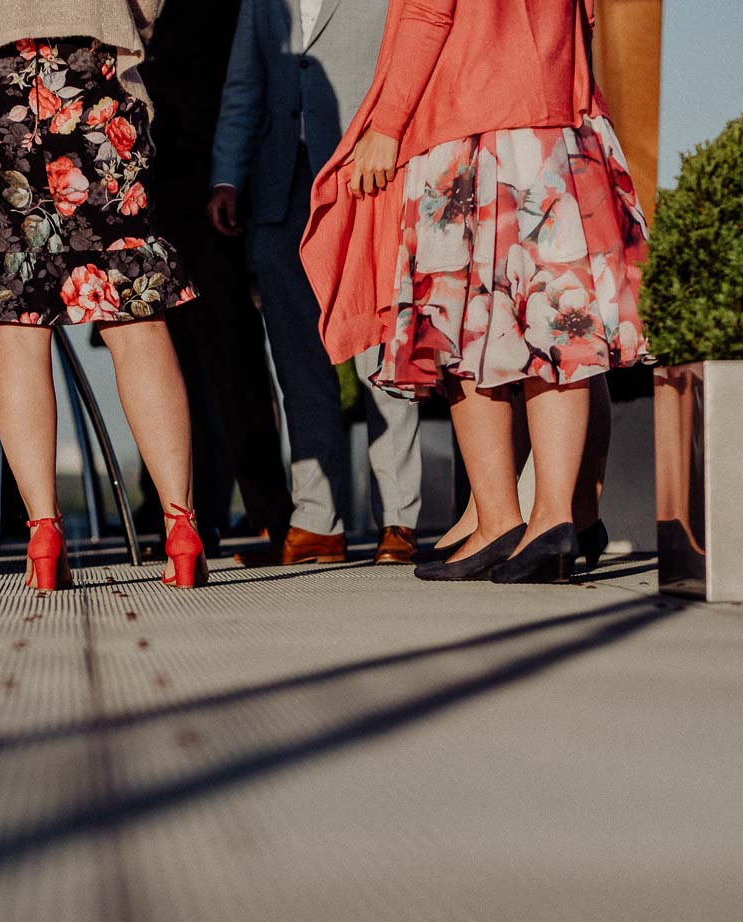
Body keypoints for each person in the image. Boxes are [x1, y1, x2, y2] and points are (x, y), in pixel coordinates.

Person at [302, 0, 649, 583]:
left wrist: (386, 124)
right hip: (555, 118)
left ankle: (497, 518)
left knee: (464, 325)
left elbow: (429, 11)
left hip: (466, 117)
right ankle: (554, 519)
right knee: (559, 327)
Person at [0, 0, 209, 591]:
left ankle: (44, 532)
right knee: (133, 302)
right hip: (89, 65)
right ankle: (181, 528)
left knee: (19, 315)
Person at [210, 0, 425, 568]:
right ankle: (316, 521)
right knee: (298, 362)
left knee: (381, 350)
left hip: (367, 182)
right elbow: (243, 85)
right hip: (279, 193)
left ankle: (399, 518)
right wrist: (227, 176)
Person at [136, 0, 295, 549]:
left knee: (228, 354)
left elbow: (239, 79)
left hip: (202, 182)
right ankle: (188, 513)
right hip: (152, 182)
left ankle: (261, 508)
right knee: (173, 355)